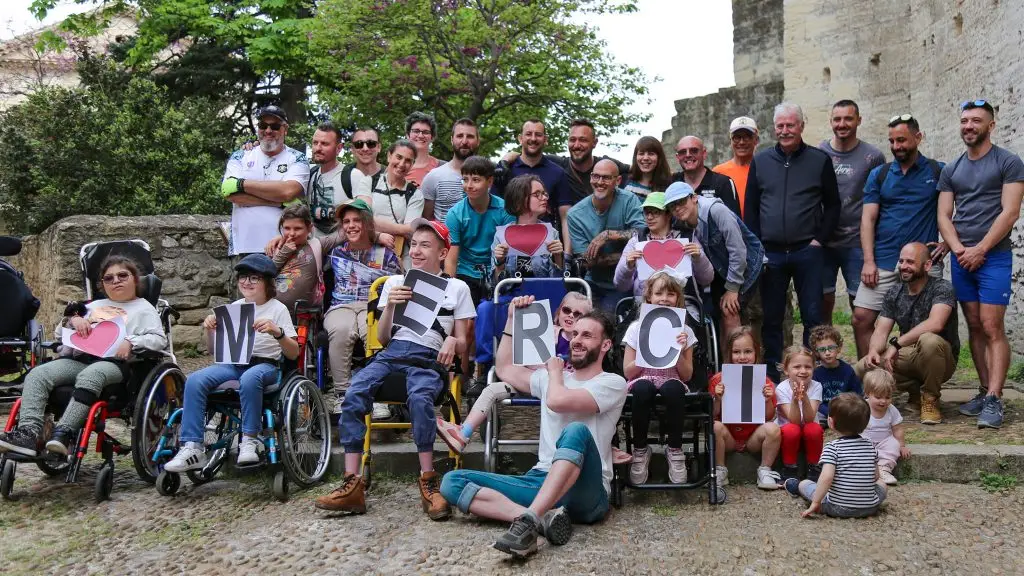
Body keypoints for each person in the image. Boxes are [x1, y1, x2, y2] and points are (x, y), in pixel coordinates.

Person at [314, 221, 475, 520]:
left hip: (430, 359)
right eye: (413, 244)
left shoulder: (458, 287)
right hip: (393, 354)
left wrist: (453, 339)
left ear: (442, 253)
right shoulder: (394, 283)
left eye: (425, 245)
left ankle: (428, 480)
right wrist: (390, 307)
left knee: (420, 397)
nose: (416, 250)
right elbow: (385, 339)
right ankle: (353, 485)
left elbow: (464, 342)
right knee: (355, 391)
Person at [439, 302, 627, 558]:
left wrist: (554, 373)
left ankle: (528, 521)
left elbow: (557, 401)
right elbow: (505, 369)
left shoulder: (613, 383)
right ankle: (537, 519)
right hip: (541, 479)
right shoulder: (552, 378)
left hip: (587, 489)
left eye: (587, 335)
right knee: (452, 482)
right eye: (574, 334)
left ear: (605, 345)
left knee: (575, 431)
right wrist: (510, 321)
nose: (577, 340)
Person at [0, 256, 167, 457]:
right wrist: (73, 322)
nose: (116, 280)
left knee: (93, 374)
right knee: (38, 374)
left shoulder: (144, 308)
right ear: (102, 284)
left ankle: (64, 432)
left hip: (116, 364)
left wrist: (132, 341)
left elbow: (159, 340)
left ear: (135, 279)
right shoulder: (92, 306)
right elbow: (61, 335)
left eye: (122, 275)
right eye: (109, 278)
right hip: (81, 359)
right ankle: (28, 433)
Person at [264, 199, 403, 417]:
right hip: (342, 305)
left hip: (374, 306)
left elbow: (398, 284)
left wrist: (376, 236)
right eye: (346, 221)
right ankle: (343, 394)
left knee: (373, 332)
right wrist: (279, 238)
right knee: (341, 331)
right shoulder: (334, 251)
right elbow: (317, 240)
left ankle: (378, 395)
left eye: (357, 220)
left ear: (368, 223)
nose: (351, 225)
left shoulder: (386, 254)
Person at [165, 254, 299, 472]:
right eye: (243, 277)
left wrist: (278, 332)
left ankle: (250, 439)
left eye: (254, 278)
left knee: (250, 377)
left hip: (266, 365)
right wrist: (210, 330)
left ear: (267, 282)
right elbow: (214, 351)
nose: (246, 282)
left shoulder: (278, 309)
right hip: (233, 364)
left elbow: (293, 353)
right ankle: (192, 446)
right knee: (195, 380)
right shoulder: (235, 308)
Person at [937, 99, 1024, 429]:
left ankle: (995, 398)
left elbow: (1010, 212)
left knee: (991, 326)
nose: (968, 126)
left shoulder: (1008, 162)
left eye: (976, 121)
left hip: (994, 258)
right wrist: (960, 249)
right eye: (964, 121)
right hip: (963, 259)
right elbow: (944, 215)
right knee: (973, 324)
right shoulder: (952, 168)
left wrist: (980, 249)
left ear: (991, 125)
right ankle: (984, 389)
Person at [744, 102, 840, 382]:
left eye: (790, 125)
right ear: (774, 128)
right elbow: (751, 208)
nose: (785, 131)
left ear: (801, 126)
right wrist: (757, 245)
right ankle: (775, 373)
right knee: (772, 318)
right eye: (780, 126)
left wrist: (819, 240)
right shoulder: (760, 161)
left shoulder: (818, 160)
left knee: (813, 316)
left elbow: (833, 205)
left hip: (806, 251)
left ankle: (816, 373)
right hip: (771, 253)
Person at [437, 292, 593, 453]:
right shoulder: (544, 330)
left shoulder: (586, 344)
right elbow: (515, 360)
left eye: (578, 315)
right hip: (528, 381)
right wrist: (515, 317)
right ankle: (463, 433)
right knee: (491, 390)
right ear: (558, 312)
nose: (571, 316)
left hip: (563, 389)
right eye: (567, 310)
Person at [853, 114, 945, 358]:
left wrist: (948, 243)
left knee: (923, 326)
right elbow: (868, 219)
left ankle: (915, 384)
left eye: (902, 140)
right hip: (883, 259)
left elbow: (956, 210)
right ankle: (872, 380)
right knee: (861, 319)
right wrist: (868, 261)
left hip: (924, 263)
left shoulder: (938, 171)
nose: (896, 147)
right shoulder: (880, 175)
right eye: (892, 141)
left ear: (918, 137)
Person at [469, 175, 566, 393]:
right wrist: (500, 262)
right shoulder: (502, 235)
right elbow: (493, 284)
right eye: (537, 194)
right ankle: (485, 368)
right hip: (512, 300)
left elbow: (561, 280)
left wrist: (559, 258)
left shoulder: (551, 233)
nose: (544, 198)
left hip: (545, 301)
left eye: (545, 193)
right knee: (485, 308)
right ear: (522, 199)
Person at [854, 242, 958, 425]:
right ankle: (915, 391)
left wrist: (895, 345)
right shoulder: (894, 291)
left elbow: (936, 323)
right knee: (863, 367)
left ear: (927, 265)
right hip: (909, 355)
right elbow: (881, 330)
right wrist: (873, 351)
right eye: (901, 261)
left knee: (929, 341)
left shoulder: (942, 288)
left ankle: (930, 399)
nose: (903, 266)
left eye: (910, 262)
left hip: (940, 357)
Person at [665, 181, 763, 357]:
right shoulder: (687, 222)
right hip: (723, 270)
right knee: (722, 315)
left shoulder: (716, 210)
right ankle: (724, 368)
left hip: (747, 267)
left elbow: (738, 249)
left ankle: (737, 371)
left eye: (681, 202)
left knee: (730, 311)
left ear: (693, 197)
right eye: (672, 206)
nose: (677, 208)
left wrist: (733, 288)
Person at [623, 272, 697, 485]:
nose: (664, 298)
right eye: (659, 293)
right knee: (643, 389)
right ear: (649, 298)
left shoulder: (685, 331)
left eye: (671, 294)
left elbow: (687, 374)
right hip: (642, 379)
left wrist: (680, 350)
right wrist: (646, 352)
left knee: (674, 389)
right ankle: (640, 449)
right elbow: (627, 372)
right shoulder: (636, 329)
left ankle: (675, 449)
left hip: (672, 379)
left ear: (678, 299)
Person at [819, 100, 886, 325]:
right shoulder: (819, 153)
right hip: (824, 242)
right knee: (822, 303)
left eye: (848, 118)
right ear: (830, 122)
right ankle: (823, 357)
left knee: (861, 310)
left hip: (859, 243)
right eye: (837, 119)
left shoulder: (873, 156)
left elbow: (880, 200)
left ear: (859, 120)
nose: (842, 124)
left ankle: (864, 359)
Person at [221, 106, 309, 256]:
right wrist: (277, 202)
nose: (268, 131)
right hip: (245, 245)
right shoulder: (240, 156)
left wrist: (241, 184)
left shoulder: (298, 158)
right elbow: (230, 194)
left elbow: (287, 192)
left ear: (285, 129)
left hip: (284, 245)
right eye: (263, 125)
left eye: (274, 126)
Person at [785, 393, 887, 519]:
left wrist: (816, 502)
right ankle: (863, 502)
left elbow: (827, 478)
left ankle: (797, 487)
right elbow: (876, 476)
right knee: (882, 484)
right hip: (870, 508)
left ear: (831, 422)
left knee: (805, 484)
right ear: (865, 424)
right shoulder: (870, 446)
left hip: (837, 508)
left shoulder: (832, 448)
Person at [709, 326, 782, 490]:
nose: (742, 357)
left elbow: (769, 417)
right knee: (714, 427)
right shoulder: (718, 380)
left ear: (757, 352)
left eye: (748, 351)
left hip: (752, 437)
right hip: (729, 437)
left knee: (773, 429)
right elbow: (712, 414)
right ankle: (720, 469)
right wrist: (717, 398)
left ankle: (765, 469)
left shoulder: (764, 380)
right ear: (729, 353)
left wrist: (768, 400)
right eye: (736, 352)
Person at [567, 159, 645, 311]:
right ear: (591, 178)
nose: (600, 182)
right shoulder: (575, 215)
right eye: (596, 176)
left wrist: (609, 235)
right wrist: (624, 257)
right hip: (593, 281)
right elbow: (585, 261)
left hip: (625, 280)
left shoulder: (629, 200)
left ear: (618, 180)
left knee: (612, 315)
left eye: (606, 177)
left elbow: (643, 234)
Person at [493, 119, 575, 252]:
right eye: (528, 134)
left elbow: (566, 216)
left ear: (545, 139)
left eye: (538, 134)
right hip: (508, 244)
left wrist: (567, 255)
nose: (533, 138)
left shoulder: (557, 173)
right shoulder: (505, 170)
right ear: (520, 138)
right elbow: (493, 209)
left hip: (546, 245)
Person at [613, 191, 713, 300]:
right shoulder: (636, 241)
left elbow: (707, 279)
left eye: (655, 212)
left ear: (668, 214)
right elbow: (620, 286)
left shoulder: (687, 239)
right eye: (646, 212)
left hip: (684, 303)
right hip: (644, 304)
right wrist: (628, 267)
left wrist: (699, 258)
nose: (649, 217)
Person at [445, 156, 516, 305]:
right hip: (466, 272)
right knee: (469, 320)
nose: (469, 185)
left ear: (490, 181)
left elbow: (508, 251)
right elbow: (451, 258)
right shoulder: (455, 214)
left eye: (476, 180)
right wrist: (450, 290)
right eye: (465, 179)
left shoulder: (505, 210)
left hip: (497, 269)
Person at [307, 121, 373, 237]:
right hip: (314, 247)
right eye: (315, 143)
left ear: (338, 148)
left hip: (343, 249)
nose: (318, 148)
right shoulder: (309, 174)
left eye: (324, 144)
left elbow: (366, 215)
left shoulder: (353, 176)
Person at [775, 345, 824, 481]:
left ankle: (813, 467)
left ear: (813, 368)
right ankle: (789, 467)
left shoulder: (816, 386)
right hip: (790, 431)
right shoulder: (782, 389)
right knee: (792, 429)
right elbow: (794, 420)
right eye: (797, 367)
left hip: (809, 430)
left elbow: (809, 419)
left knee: (814, 428)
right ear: (786, 370)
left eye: (808, 367)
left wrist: (805, 398)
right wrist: (795, 400)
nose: (803, 371)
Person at [371, 139, 425, 264]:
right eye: (399, 157)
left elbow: (410, 230)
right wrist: (379, 236)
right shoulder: (369, 182)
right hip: (365, 252)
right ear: (389, 156)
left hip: (397, 257)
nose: (402, 164)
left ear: (412, 164)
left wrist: (372, 222)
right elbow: (359, 220)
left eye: (408, 161)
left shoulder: (415, 194)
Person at [420, 118, 480, 222]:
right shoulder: (433, 176)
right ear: (452, 140)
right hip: (444, 237)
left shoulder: (489, 177)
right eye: (460, 136)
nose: (464, 141)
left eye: (470, 136)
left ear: (478, 141)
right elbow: (427, 219)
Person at [269, 205, 324, 313]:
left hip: (304, 314)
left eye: (298, 228)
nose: (292, 233)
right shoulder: (274, 248)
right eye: (287, 228)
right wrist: (284, 252)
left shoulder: (317, 244)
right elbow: (266, 275)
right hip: (274, 313)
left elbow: (342, 235)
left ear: (309, 228)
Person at [671, 135, 741, 216]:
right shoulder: (672, 182)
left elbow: (734, 223)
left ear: (704, 154)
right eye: (682, 152)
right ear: (677, 157)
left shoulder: (723, 183)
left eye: (694, 150)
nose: (688, 155)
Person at [861, 369, 909, 486]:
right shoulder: (862, 407)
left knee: (893, 444)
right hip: (865, 441)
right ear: (868, 393)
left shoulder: (891, 410)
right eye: (878, 397)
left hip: (884, 441)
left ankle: (884, 469)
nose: (883, 401)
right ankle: (864, 471)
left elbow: (897, 428)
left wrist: (901, 446)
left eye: (887, 397)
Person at [809, 324, 861, 425]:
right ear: (816, 352)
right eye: (822, 350)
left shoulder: (847, 370)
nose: (827, 353)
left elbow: (857, 393)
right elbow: (816, 401)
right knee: (814, 418)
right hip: (823, 411)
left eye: (831, 348)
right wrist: (830, 413)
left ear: (839, 348)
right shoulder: (815, 373)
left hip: (845, 408)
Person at [713, 116, 759, 219]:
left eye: (747, 137)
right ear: (730, 141)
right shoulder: (718, 172)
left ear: (756, 140)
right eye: (737, 137)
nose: (742, 142)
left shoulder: (764, 169)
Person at [404, 111, 445, 186]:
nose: (420, 136)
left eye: (425, 132)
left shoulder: (444, 167)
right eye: (416, 131)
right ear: (407, 135)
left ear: (432, 137)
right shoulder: (398, 167)